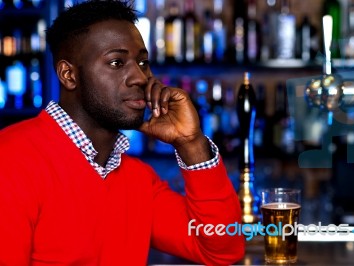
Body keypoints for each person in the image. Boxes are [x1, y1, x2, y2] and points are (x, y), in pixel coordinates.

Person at [0, 0, 245, 265]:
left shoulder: (138, 179)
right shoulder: (11, 160)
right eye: (117, 62)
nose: (140, 77)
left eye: (143, 62)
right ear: (68, 75)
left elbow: (221, 249)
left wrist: (191, 143)